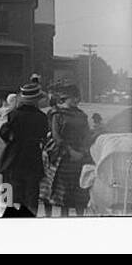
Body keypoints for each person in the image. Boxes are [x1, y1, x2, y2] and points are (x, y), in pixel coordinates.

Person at [0, 81, 49, 217]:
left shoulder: (13, 115)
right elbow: (44, 135)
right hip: (32, 160)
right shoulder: (42, 118)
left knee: (9, 199)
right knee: (31, 197)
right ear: (37, 100)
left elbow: (3, 132)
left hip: (12, 159)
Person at [44, 85, 94, 217]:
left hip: (79, 157)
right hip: (62, 156)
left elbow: (87, 135)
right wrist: (71, 151)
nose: (77, 100)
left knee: (79, 189)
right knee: (63, 192)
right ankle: (63, 217)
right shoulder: (56, 114)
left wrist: (83, 151)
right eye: (74, 97)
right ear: (66, 98)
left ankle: (79, 217)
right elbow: (56, 137)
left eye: (77, 97)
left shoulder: (82, 115)